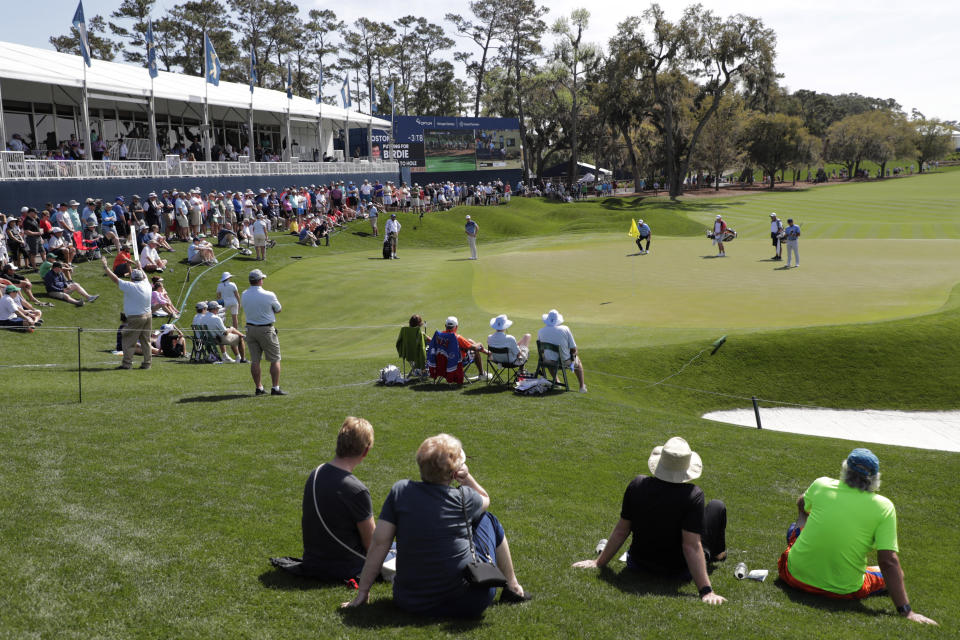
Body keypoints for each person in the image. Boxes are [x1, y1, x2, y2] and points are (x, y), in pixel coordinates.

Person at [343, 433, 530, 615]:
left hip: (410, 601)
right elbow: (485, 498)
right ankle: (513, 586)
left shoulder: (401, 492)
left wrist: (363, 592)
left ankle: (511, 586)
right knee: (488, 519)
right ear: (453, 471)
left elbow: (379, 542)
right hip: (469, 601)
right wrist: (466, 477)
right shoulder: (465, 498)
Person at [777, 448, 937, 625]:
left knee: (795, 527)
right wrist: (906, 612)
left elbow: (801, 504)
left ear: (845, 470)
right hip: (842, 590)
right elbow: (888, 562)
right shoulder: (883, 507)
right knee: (897, 573)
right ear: (874, 479)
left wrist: (808, 511)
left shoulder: (821, 484)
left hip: (792, 575)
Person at [573, 437, 727, 606]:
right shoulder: (693, 495)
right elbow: (691, 546)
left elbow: (621, 530)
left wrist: (598, 562)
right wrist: (706, 591)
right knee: (716, 507)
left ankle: (717, 553)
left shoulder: (637, 484)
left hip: (638, 564)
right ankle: (718, 553)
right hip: (678, 571)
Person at [301, 416, 376, 580]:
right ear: (365, 451)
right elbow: (372, 545)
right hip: (345, 566)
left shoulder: (316, 473)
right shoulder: (357, 490)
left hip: (313, 562)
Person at [101, 257, 153, 370]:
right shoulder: (147, 284)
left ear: (132, 278)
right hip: (148, 316)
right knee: (146, 341)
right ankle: (147, 363)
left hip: (136, 318)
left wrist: (106, 267)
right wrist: (139, 267)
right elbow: (145, 276)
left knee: (129, 341)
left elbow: (115, 279)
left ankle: (127, 364)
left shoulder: (131, 286)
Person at [241, 269, 285, 395]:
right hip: (265, 329)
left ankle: (258, 387)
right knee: (275, 359)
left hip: (250, 329)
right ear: (260, 280)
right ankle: (275, 388)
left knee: (255, 360)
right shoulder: (269, 294)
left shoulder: (244, 293)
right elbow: (278, 309)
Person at [537, 308, 586, 392]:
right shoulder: (565, 328)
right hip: (564, 362)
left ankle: (557, 381)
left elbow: (542, 351)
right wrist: (574, 355)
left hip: (549, 362)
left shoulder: (541, 331)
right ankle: (582, 387)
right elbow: (573, 348)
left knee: (547, 356)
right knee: (579, 363)